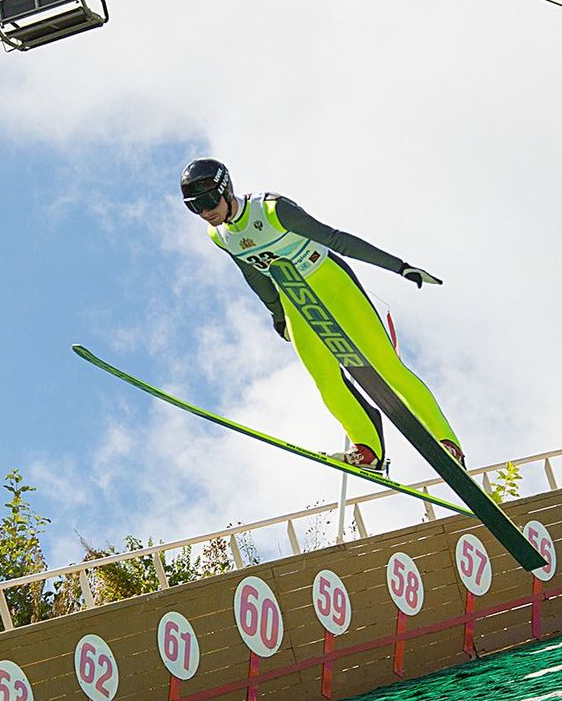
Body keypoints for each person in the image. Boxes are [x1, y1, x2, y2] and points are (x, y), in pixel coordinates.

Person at [180, 157, 461, 471]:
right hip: (295, 300)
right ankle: (367, 448)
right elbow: (253, 275)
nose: (205, 212)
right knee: (325, 379)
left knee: (385, 366)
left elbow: (336, 239)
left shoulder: (272, 210)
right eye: (195, 208)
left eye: (208, 201)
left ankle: (444, 441)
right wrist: (277, 315)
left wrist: (400, 267)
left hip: (331, 283)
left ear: (226, 189)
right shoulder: (219, 236)